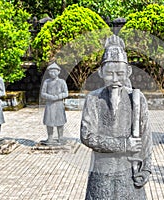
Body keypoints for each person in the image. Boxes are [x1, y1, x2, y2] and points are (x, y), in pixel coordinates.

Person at [80, 35, 152, 200]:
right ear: (101, 73)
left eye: (120, 74)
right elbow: (87, 136)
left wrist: (146, 168)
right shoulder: (93, 99)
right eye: (110, 74)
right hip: (101, 173)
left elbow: (146, 136)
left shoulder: (137, 99)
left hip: (129, 172)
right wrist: (124, 144)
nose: (115, 79)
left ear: (128, 72)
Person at [41, 62, 68, 144]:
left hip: (59, 104)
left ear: (58, 72)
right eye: (50, 72)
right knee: (49, 121)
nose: (52, 73)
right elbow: (43, 93)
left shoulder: (62, 82)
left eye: (54, 71)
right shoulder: (46, 82)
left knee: (60, 121)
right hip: (49, 104)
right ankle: (50, 138)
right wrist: (50, 97)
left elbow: (66, 93)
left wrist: (57, 97)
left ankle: (60, 137)